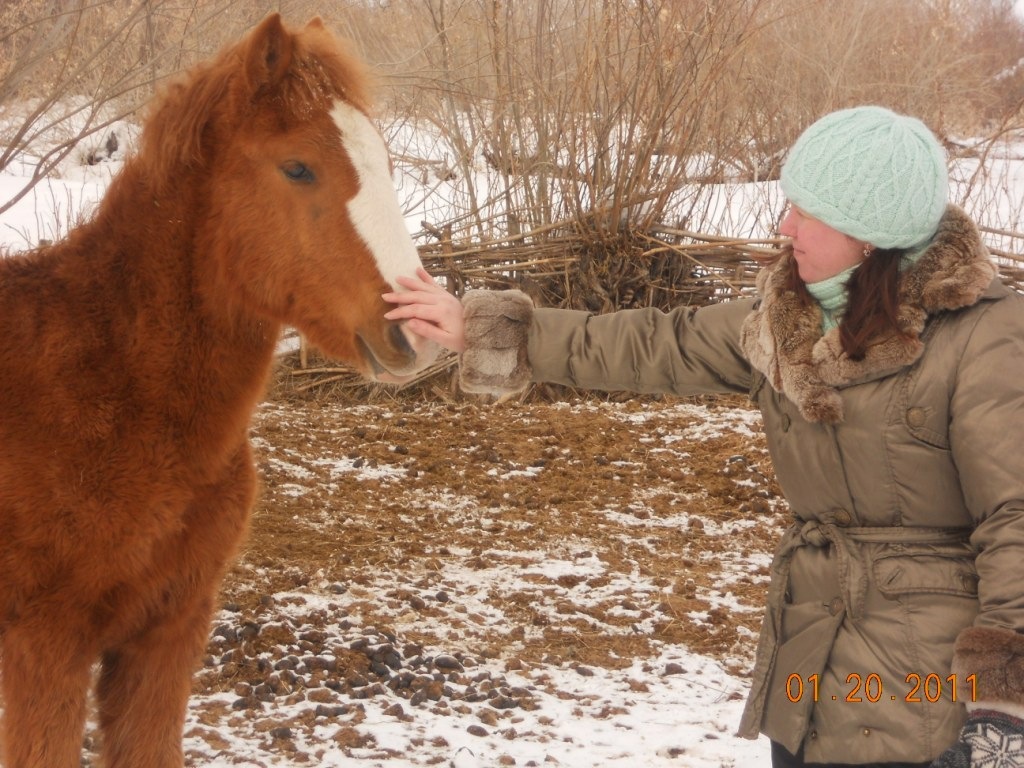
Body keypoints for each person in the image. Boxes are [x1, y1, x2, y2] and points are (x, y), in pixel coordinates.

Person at [383, 106, 1024, 767]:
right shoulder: (783, 322)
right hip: (809, 672)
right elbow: (654, 344)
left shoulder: (984, 336)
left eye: (807, 212)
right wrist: (486, 332)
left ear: (870, 235)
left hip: (930, 703)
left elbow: (1016, 519)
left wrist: (1003, 718)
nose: (785, 226)